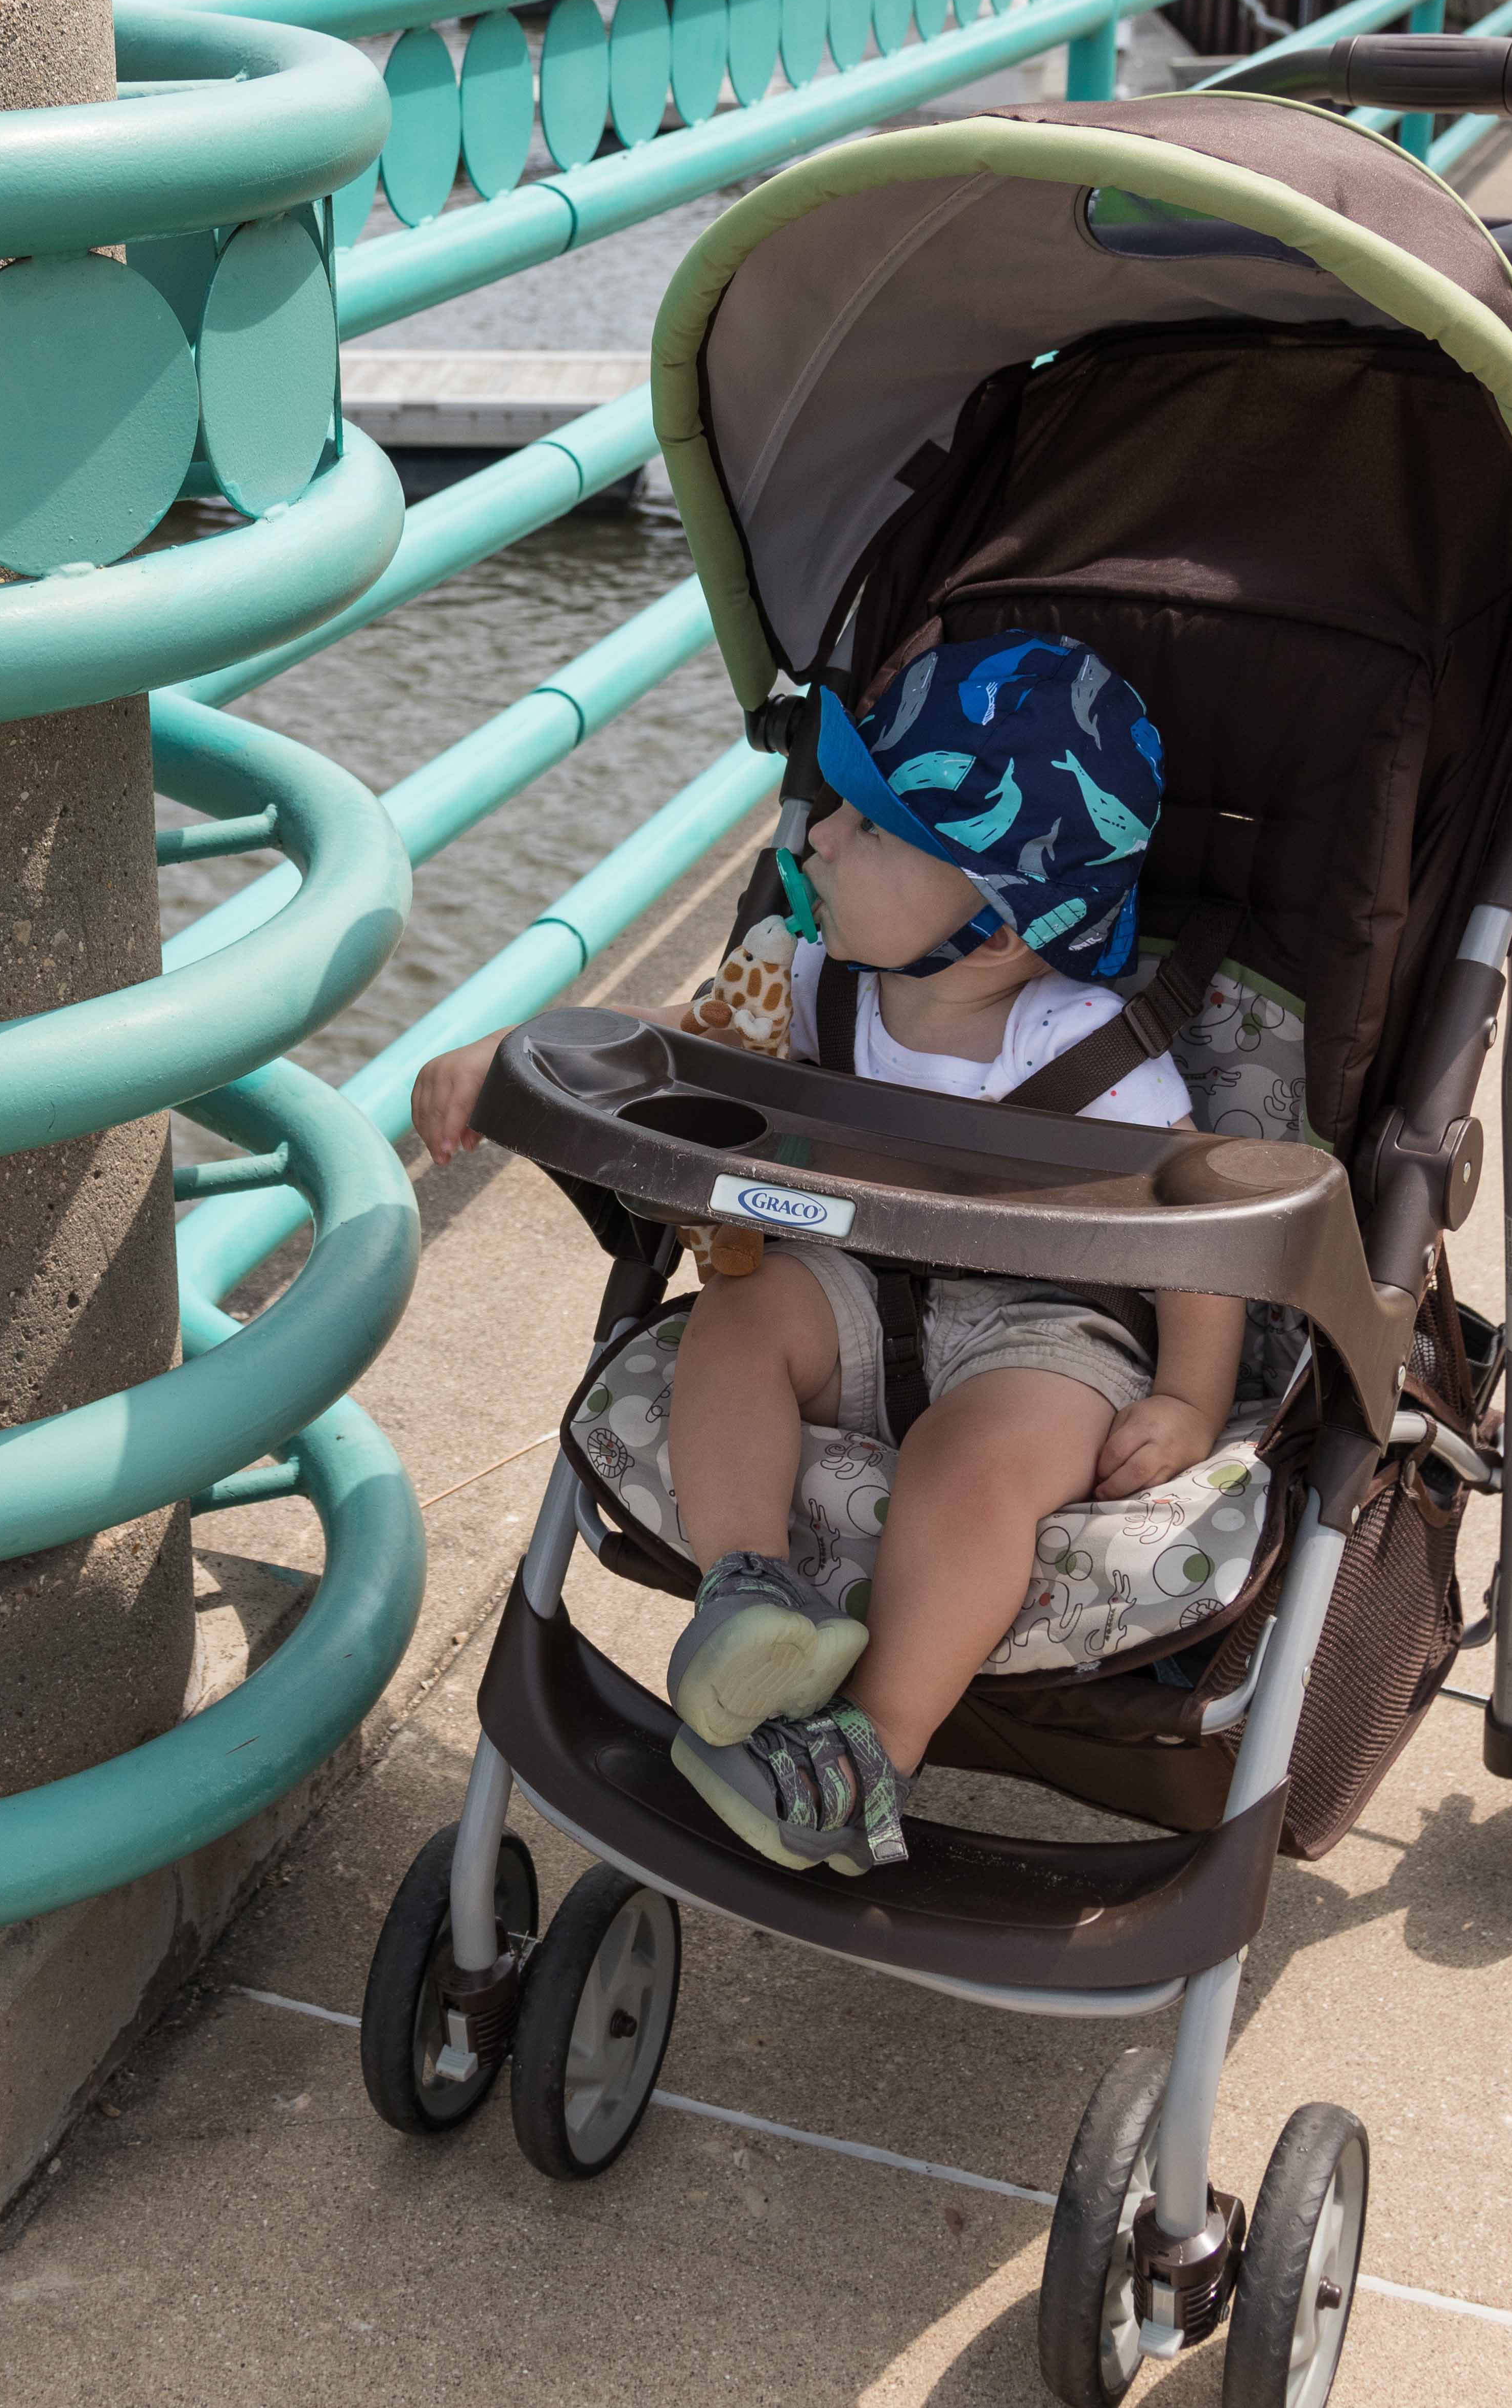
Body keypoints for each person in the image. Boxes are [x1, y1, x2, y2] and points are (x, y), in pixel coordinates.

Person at [410, 632, 1245, 1880]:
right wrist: (520, 1046)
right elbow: (679, 1046)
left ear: (1002, 930)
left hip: (1047, 1328)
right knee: (736, 1320)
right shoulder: (818, 980)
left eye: (872, 828)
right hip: (853, 1280)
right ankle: (749, 1592)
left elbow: (1195, 1227)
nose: (815, 842)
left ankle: (870, 1756)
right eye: (837, 810)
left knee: (975, 1458)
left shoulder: (1087, 1047)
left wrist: (1190, 1396)